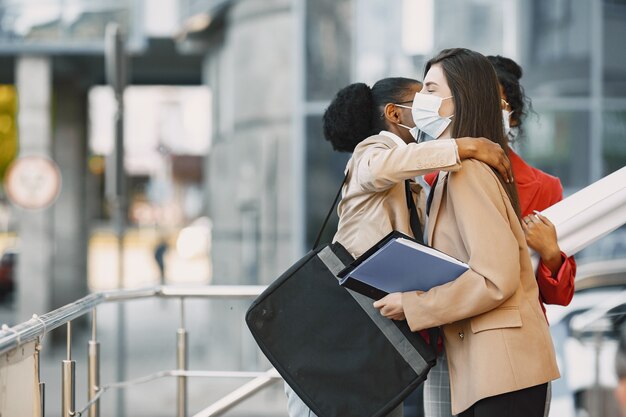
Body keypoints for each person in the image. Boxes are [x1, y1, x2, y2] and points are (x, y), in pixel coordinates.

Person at [285, 76, 514, 417]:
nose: (432, 107)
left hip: (373, 327)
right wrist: (466, 146)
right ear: (394, 113)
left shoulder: (412, 178)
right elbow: (386, 166)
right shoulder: (371, 153)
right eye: (422, 98)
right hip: (346, 323)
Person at [373, 48, 560, 417]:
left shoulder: (468, 173)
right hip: (490, 368)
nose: (420, 101)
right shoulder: (451, 171)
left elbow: (495, 278)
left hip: (503, 369)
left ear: (459, 98)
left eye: (429, 89)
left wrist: (413, 305)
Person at [417, 55, 578, 417]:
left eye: (501, 102)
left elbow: (517, 283)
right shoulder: (438, 176)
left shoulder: (537, 185)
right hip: (452, 338)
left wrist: (552, 255)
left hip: (503, 345)